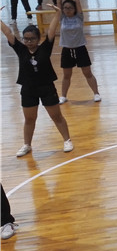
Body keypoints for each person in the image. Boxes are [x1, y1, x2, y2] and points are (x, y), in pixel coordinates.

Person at [1, 10, 73, 156]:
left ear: (38, 39)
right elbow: (8, 33)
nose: (28, 42)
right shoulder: (20, 49)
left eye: (32, 39)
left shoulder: (45, 48)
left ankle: (67, 140)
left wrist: (57, 14)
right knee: (29, 119)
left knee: (56, 116)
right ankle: (27, 145)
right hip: (28, 89)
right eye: (26, 39)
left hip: (46, 87)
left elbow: (51, 30)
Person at [55, 0, 101, 104]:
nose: (67, 10)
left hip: (80, 49)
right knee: (66, 75)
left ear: (75, 9)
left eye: (70, 8)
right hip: (67, 50)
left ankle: (96, 93)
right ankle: (63, 96)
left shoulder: (79, 17)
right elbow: (58, 3)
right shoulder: (62, 18)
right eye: (65, 8)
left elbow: (78, 1)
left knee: (87, 73)